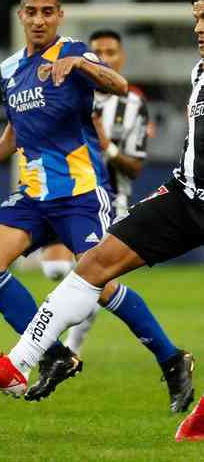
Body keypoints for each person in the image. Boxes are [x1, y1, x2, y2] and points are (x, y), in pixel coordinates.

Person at [0, 0, 204, 416]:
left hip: (79, 194)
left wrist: (81, 66)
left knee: (100, 281)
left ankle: (170, 357)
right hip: (34, 195)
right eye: (31, 12)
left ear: (59, 15)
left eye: (47, 12)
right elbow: (17, 124)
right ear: (21, 15)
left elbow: (118, 83)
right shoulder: (9, 69)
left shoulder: (75, 53)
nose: (38, 20)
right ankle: (53, 355)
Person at [59, 29, 152, 354]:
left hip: (112, 200)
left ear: (121, 57)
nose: (107, 58)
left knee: (87, 276)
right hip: (68, 196)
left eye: (112, 52)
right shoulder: (73, 93)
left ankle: (70, 349)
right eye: (99, 52)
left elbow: (135, 168)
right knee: (59, 269)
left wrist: (106, 147)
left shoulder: (134, 103)